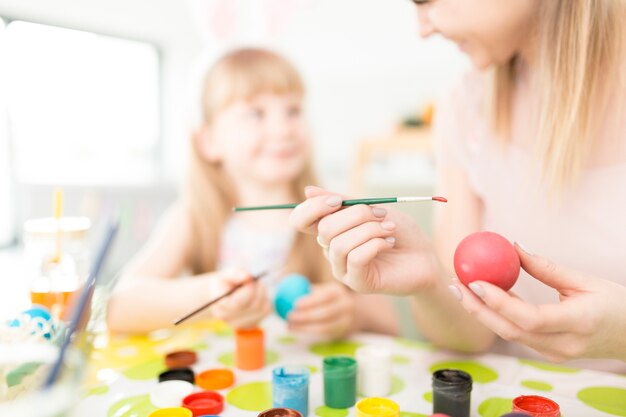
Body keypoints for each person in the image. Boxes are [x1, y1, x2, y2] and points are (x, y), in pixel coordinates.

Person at [290, 0, 626, 372]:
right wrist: (430, 280)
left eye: (426, 2)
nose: (423, 28)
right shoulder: (466, 107)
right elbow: (470, 338)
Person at [107, 48, 399, 338]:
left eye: (293, 111)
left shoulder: (336, 215)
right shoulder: (195, 216)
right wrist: (212, 294)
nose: (283, 129)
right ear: (208, 141)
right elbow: (119, 307)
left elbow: (390, 326)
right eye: (256, 114)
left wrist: (350, 314)